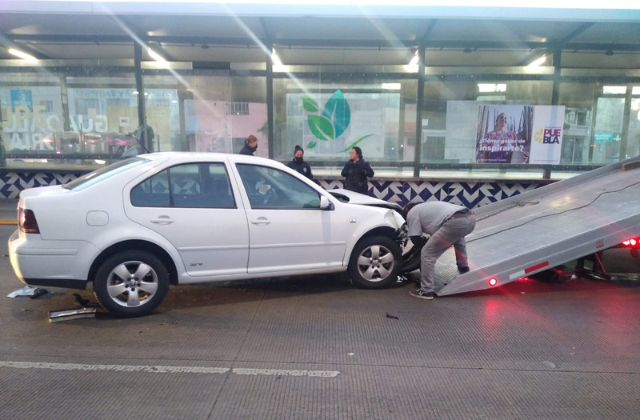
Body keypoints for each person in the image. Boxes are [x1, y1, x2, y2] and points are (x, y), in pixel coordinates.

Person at [404, 201, 476, 300]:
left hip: (454, 222)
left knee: (427, 253)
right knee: (458, 239)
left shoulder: (411, 213)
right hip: (470, 218)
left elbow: (415, 239)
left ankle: (426, 291)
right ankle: (464, 269)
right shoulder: (426, 208)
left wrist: (424, 243)